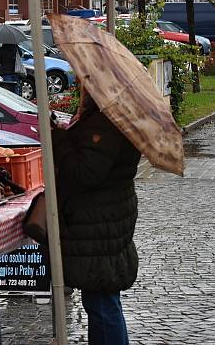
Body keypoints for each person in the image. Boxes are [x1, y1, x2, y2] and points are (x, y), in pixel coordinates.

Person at [50, 88, 140, 344]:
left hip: (99, 223)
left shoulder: (106, 122)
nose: (80, 86)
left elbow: (86, 172)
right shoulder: (112, 116)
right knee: (101, 301)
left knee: (102, 303)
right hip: (105, 218)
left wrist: (59, 139)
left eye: (85, 82)